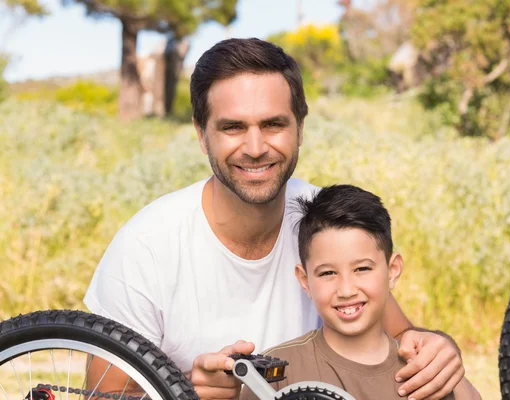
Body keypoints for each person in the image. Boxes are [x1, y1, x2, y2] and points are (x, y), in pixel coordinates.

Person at [83, 37, 469, 399]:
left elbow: (399, 334)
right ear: (202, 135)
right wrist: (180, 390)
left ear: (300, 128)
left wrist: (437, 346)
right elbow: (101, 394)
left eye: (273, 124)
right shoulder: (145, 247)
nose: (255, 148)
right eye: (233, 127)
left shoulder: (323, 219)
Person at [239, 184, 480, 400]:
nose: (346, 290)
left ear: (393, 270)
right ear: (305, 280)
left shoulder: (425, 370)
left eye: (362, 269)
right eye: (327, 273)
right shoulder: (277, 374)